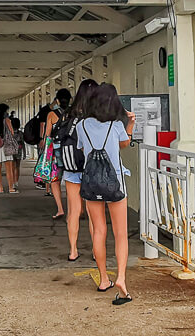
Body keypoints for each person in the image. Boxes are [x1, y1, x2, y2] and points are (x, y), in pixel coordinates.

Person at [77, 82, 135, 305]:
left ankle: (103, 279)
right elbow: (124, 144)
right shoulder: (116, 125)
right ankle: (120, 279)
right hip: (116, 183)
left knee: (98, 231)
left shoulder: (82, 125)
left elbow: (83, 149)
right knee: (120, 234)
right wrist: (129, 125)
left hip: (91, 183)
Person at [62, 79, 98, 262]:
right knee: (93, 212)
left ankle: (73, 251)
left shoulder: (69, 115)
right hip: (91, 167)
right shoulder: (97, 117)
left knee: (74, 211)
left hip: (71, 166)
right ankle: (95, 251)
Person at [41, 89, 71, 219]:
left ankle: (60, 209)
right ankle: (76, 209)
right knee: (73, 181)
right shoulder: (74, 114)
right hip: (72, 151)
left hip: (57, 151)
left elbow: (48, 135)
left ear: (57, 101)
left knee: (55, 181)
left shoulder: (51, 115)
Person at [0, 103, 19, 193]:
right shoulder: (7, 119)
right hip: (5, 145)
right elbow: (11, 132)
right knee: (9, 167)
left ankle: (0, 188)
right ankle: (11, 188)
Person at [9, 111, 24, 178]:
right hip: (19, 151)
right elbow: (23, 143)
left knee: (12, 166)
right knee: (17, 167)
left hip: (11, 151)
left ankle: (12, 182)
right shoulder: (20, 133)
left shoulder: (9, 133)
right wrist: (25, 153)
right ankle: (16, 181)